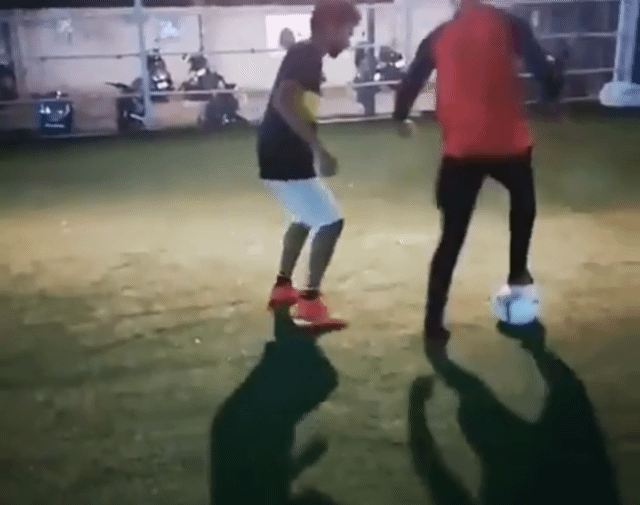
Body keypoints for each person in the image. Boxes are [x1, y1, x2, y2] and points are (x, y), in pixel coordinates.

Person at [392, 0, 564, 345]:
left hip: (461, 149)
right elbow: (546, 76)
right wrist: (554, 85)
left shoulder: (439, 35)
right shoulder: (510, 25)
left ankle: (433, 321)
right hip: (508, 145)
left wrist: (399, 117)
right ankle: (518, 271)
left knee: (451, 237)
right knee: (523, 201)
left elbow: (411, 82)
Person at [258, 0, 361, 326]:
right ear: (331, 26)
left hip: (277, 152)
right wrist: (319, 148)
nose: (349, 40)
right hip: (285, 154)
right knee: (330, 222)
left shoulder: (304, 54)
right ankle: (310, 302)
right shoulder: (307, 55)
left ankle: (283, 287)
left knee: (303, 218)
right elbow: (284, 100)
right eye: (348, 31)